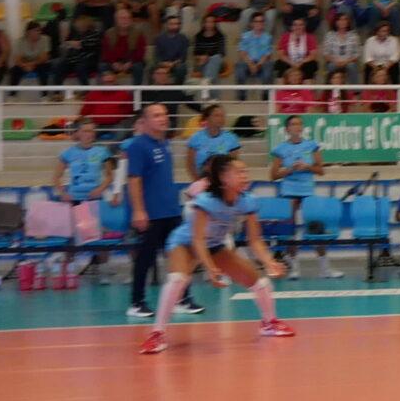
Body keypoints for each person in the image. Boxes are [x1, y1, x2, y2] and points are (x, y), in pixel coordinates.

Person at [141, 155, 293, 352]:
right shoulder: (206, 201)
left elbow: (255, 240)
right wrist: (210, 268)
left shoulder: (248, 201)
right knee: (178, 279)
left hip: (215, 245)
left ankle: (269, 323)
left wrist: (269, 261)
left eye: (245, 171)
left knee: (260, 282)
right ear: (223, 178)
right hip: (185, 243)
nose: (245, 176)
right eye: (239, 172)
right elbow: (197, 240)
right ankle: (157, 333)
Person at [122, 102, 183, 323]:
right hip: (152, 213)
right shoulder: (138, 146)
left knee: (180, 255)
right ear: (145, 121)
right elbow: (134, 180)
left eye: (164, 114)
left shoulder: (165, 143)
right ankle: (136, 303)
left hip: (171, 211)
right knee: (145, 258)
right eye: (156, 115)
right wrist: (139, 210)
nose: (163, 118)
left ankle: (182, 299)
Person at [52, 116, 118, 280]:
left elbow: (110, 176)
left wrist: (100, 189)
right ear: (78, 133)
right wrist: (63, 193)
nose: (90, 134)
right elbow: (56, 177)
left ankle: (103, 269)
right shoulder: (68, 153)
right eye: (86, 131)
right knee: (72, 235)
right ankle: (68, 270)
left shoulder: (102, 152)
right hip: (75, 199)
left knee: (98, 235)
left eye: (92, 131)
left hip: (94, 199)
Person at [271, 113, 331, 275]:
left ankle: (325, 268)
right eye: (293, 124)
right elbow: (273, 175)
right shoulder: (280, 149)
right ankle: (294, 267)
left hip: (307, 191)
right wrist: (290, 169)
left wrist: (307, 167)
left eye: (299, 124)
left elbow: (321, 170)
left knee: (315, 227)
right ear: (287, 129)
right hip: (289, 191)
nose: (297, 127)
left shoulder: (311, 145)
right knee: (290, 229)